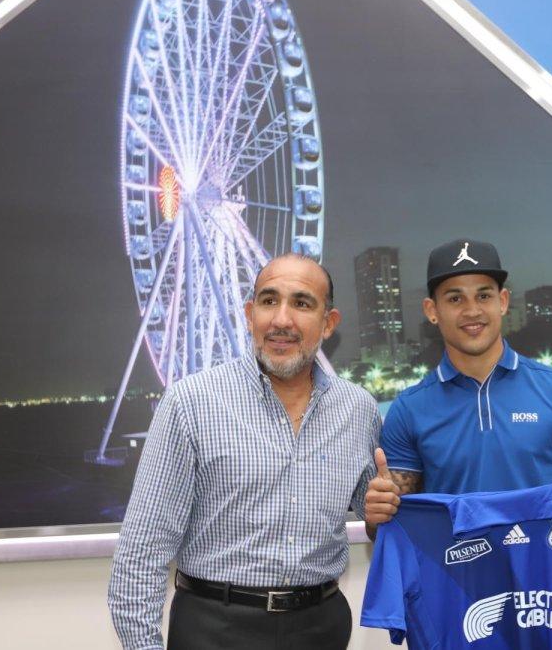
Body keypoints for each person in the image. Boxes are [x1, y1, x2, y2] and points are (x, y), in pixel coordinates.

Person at [108, 254, 381, 650]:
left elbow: (377, 521)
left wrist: (384, 514)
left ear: (328, 323)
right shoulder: (191, 403)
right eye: (269, 301)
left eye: (302, 303)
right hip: (214, 629)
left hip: (321, 628)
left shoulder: (358, 409)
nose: (282, 320)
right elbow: (142, 550)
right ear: (251, 315)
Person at [364, 238, 552, 537]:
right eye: (455, 299)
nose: (472, 310)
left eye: (484, 296)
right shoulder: (409, 409)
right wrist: (376, 517)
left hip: (546, 566)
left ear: (503, 302)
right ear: (432, 310)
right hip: (455, 567)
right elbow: (387, 530)